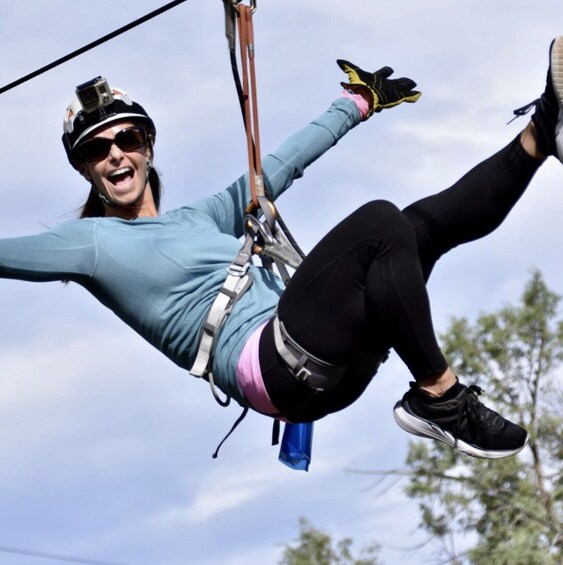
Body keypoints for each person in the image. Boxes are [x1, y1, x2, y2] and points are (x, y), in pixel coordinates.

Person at [1, 37, 561, 462]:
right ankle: (440, 398)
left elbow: (279, 166)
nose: (116, 155)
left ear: (147, 146)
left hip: (326, 356)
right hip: (272, 365)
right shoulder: (89, 244)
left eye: (128, 138)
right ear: (84, 168)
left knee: (413, 231)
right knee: (379, 225)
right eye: (97, 149)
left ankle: (542, 131)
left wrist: (358, 104)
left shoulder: (202, 218)